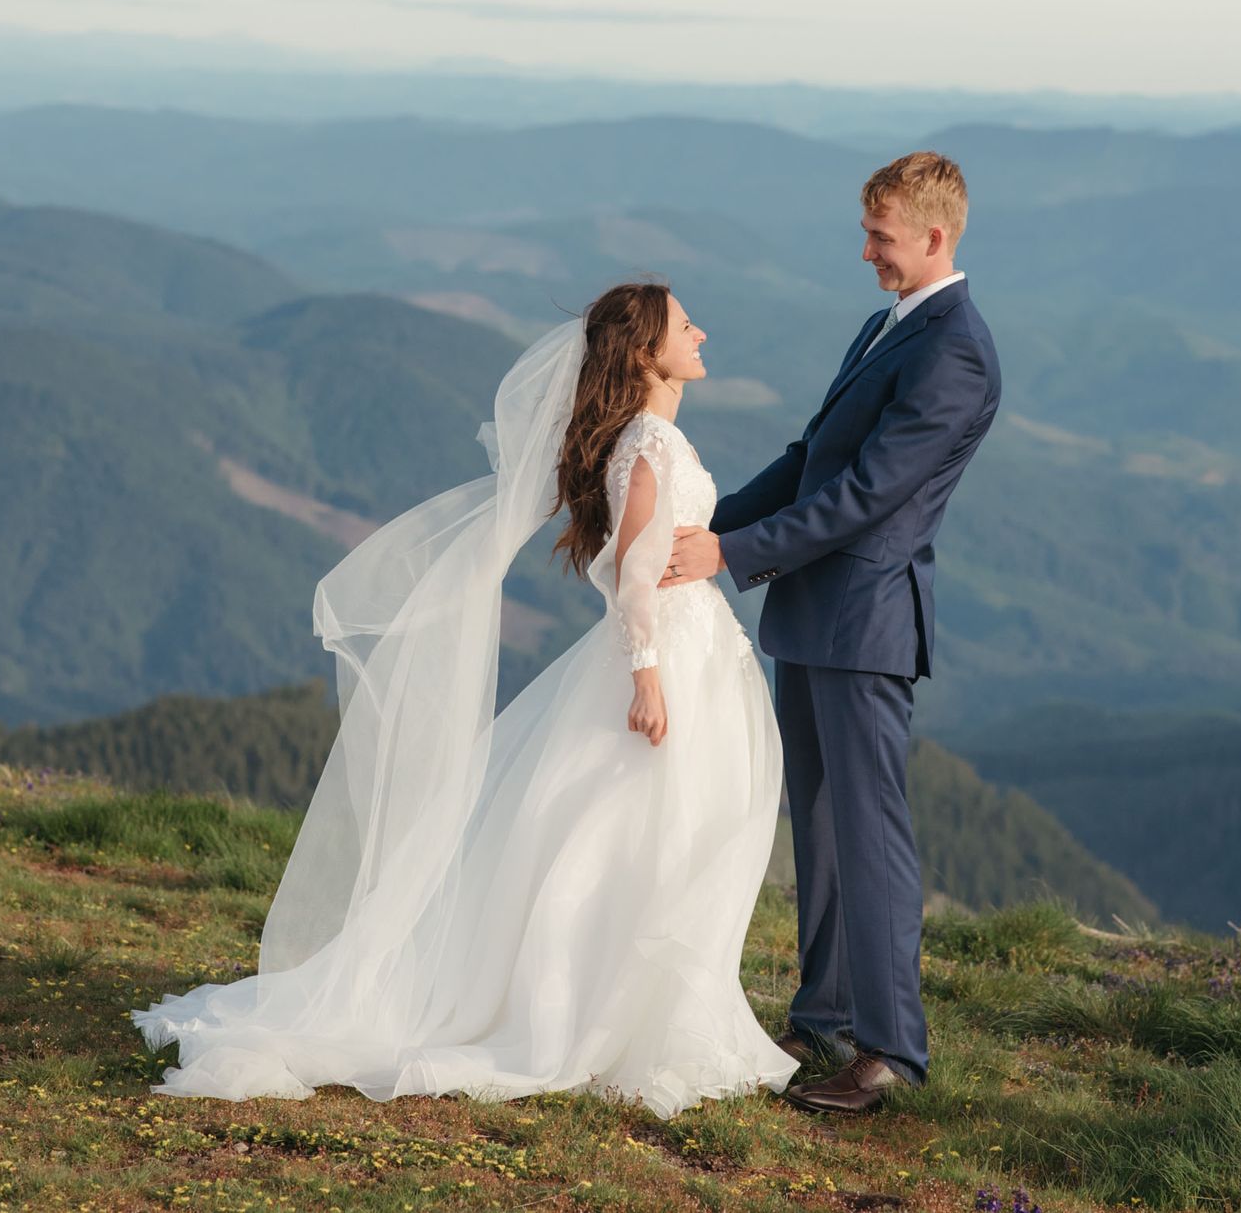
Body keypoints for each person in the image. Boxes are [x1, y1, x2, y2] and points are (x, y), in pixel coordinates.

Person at [131, 282, 798, 1119]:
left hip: (689, 652)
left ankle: (642, 1012)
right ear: (643, 353)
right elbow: (634, 580)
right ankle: (605, 1019)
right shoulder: (651, 448)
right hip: (663, 661)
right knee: (631, 837)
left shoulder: (653, 440)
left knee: (658, 838)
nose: (702, 331)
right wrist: (648, 678)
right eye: (683, 324)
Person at [661, 151, 1001, 1114]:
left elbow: (862, 498)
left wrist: (728, 557)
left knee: (871, 836)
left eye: (881, 237)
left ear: (936, 236)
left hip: (866, 623)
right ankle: (822, 1016)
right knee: (815, 824)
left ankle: (891, 1052)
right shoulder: (887, 324)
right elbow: (811, 457)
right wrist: (710, 525)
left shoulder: (956, 350)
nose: (866, 252)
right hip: (812, 615)